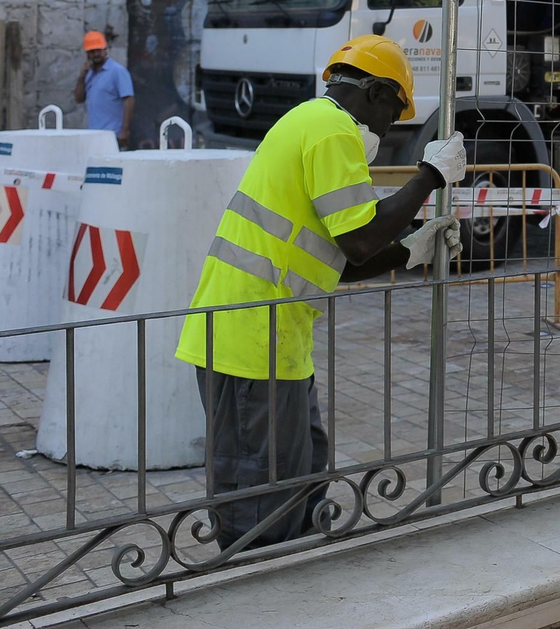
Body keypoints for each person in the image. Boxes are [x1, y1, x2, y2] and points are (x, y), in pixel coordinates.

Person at [174, 34, 469, 550]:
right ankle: (262, 596)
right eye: (395, 111)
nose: (391, 127)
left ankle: (297, 576)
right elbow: (359, 240)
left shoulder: (310, 122)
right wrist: (429, 177)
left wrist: (410, 251)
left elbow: (336, 256)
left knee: (301, 473)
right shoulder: (332, 131)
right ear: (376, 92)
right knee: (261, 496)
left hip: (271, 340)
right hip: (250, 342)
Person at [74, 31, 134, 147]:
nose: (96, 54)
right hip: (93, 134)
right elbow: (78, 98)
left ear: (105, 50)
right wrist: (81, 77)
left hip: (113, 135)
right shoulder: (89, 74)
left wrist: (124, 131)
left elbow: (129, 100)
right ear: (87, 54)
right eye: (92, 51)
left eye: (98, 50)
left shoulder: (117, 71)